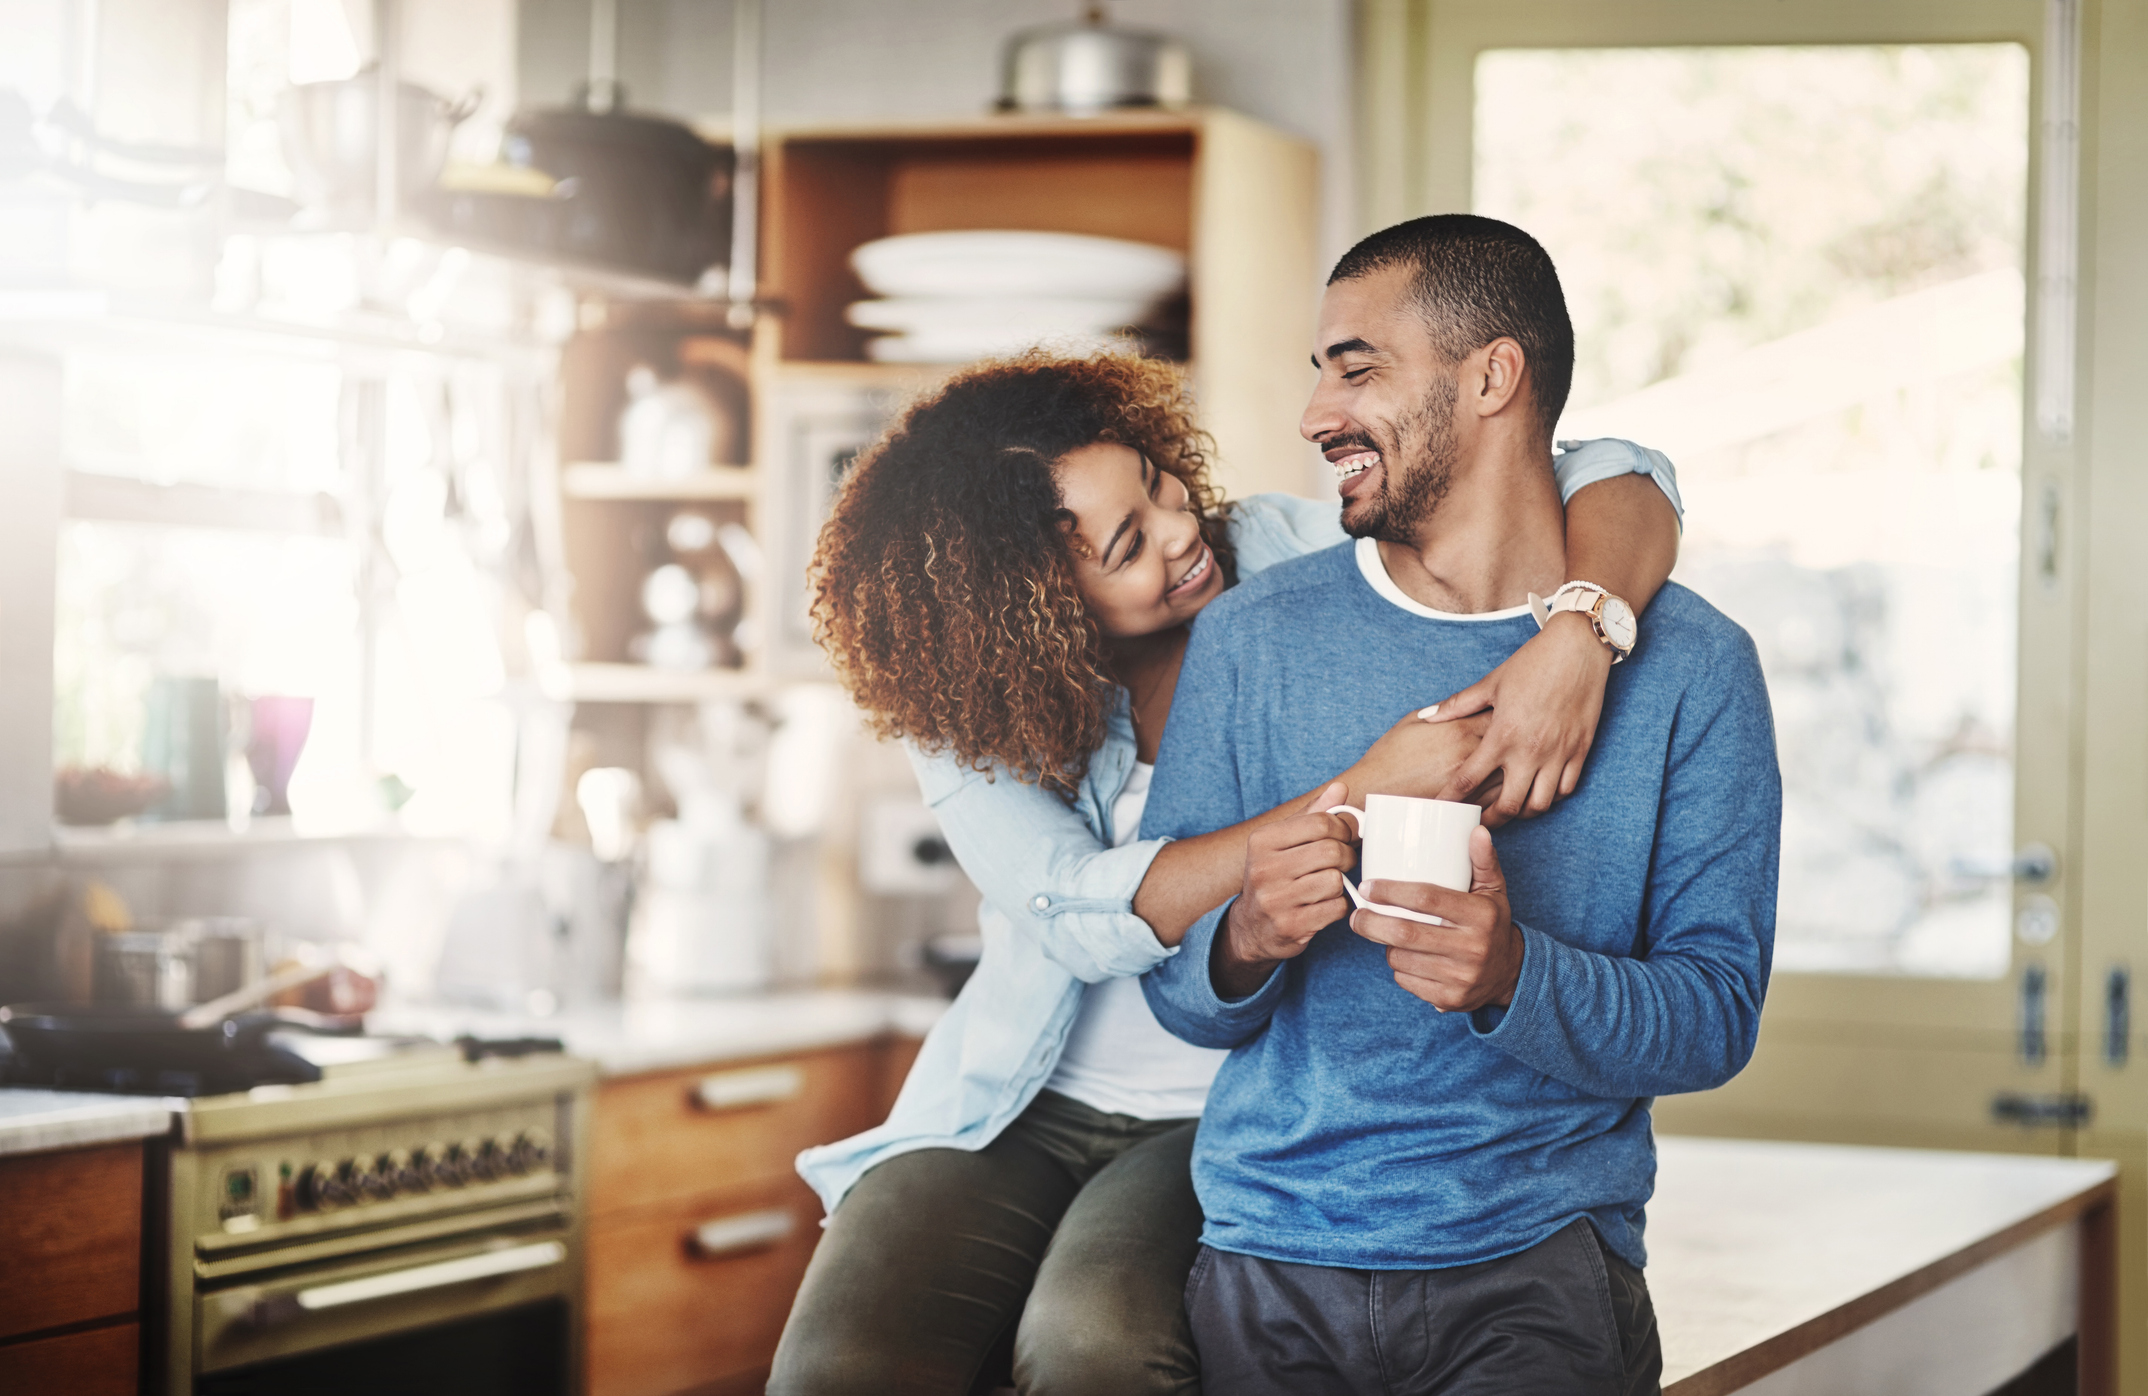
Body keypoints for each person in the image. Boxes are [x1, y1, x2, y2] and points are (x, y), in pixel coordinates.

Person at [767, 346, 1684, 1396]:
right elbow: (1077, 907)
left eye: (1159, 487)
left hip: (1231, 1099)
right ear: (1033, 613)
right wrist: (1355, 787)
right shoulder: (968, 704)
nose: (1180, 534)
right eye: (1127, 544)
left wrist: (1581, 628)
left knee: (1094, 1343)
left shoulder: (1289, 551)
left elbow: (1623, 471)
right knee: (837, 1367)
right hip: (1016, 1097)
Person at [1140, 214, 1782, 1395]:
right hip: (1269, 1263)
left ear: (1494, 376)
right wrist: (1245, 936)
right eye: (1319, 370)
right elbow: (1176, 990)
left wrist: (1510, 978)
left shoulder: (1693, 667)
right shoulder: (1250, 639)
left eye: (1358, 366)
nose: (1314, 414)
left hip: (1539, 1273)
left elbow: (1714, 1016)